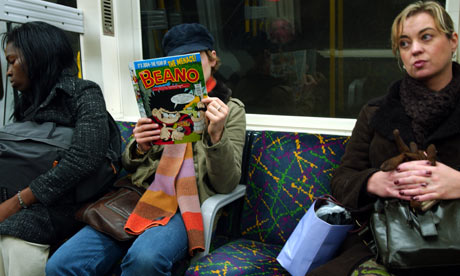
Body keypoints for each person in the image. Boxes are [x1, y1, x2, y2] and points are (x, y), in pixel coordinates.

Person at [46, 23, 246, 275]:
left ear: (213, 58)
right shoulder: (159, 99)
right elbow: (129, 166)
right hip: (139, 194)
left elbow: (227, 183)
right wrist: (139, 146)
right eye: (175, 61)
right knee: (61, 265)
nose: (184, 66)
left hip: (186, 204)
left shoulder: (231, 110)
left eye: (192, 58)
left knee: (144, 261)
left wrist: (216, 136)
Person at [308, 1, 460, 276]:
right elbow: (342, 179)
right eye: (404, 43)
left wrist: (457, 183)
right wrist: (374, 181)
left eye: (426, 37)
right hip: (384, 244)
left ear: (453, 41)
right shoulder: (376, 112)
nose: (415, 49)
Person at [0, 21, 114, 276]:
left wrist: (18, 201)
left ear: (36, 57)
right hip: (31, 199)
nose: (8, 72)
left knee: (15, 239)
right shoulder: (28, 102)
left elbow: (85, 157)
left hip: (73, 201)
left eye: (12, 61)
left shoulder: (84, 93)